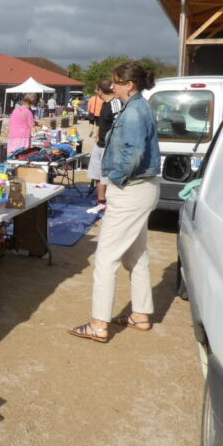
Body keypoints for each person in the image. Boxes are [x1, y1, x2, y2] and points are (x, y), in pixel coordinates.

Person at [68, 61, 161, 343]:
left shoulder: (133, 112)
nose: (113, 85)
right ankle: (141, 315)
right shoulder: (137, 108)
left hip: (131, 189)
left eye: (116, 81)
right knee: (136, 255)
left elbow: (133, 152)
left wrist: (115, 180)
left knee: (106, 258)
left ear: (128, 84)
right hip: (142, 189)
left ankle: (98, 324)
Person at [85, 80, 116, 214]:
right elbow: (100, 123)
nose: (95, 92)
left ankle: (110, 204)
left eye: (96, 89)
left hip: (109, 146)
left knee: (106, 175)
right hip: (100, 143)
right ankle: (101, 201)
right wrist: (97, 136)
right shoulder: (104, 103)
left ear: (100, 90)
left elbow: (118, 124)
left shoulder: (115, 103)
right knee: (96, 172)